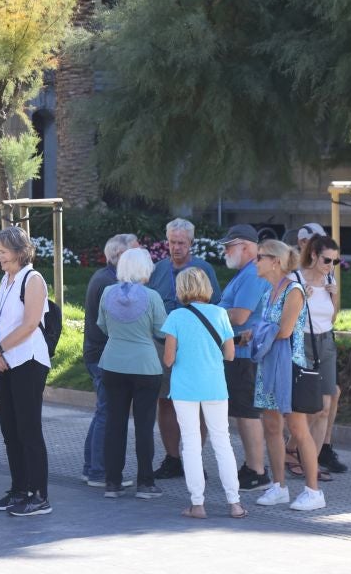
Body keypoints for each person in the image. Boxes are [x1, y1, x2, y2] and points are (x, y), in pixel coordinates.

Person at [160, 268, 247, 518]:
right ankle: (235, 503)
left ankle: (197, 504)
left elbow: (168, 359)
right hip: (215, 386)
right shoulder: (220, 314)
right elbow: (230, 354)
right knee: (222, 442)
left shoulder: (176, 317)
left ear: (181, 288)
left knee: (190, 443)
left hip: (184, 388)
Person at [252, 240, 326, 511]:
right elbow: (267, 329)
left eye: (260, 256)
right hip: (268, 365)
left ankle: (314, 491)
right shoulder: (268, 293)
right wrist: (259, 331)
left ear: (275, 261)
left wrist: (258, 331)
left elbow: (283, 331)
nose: (255, 261)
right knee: (271, 426)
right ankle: (279, 486)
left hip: (288, 368)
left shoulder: (293, 290)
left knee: (297, 428)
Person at [0, 227, 53, 517]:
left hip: (28, 360)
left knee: (28, 429)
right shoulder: (6, 279)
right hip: (6, 361)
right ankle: (19, 489)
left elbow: (28, 324)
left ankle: (39, 496)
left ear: (18, 251)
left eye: (2, 251)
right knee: (10, 430)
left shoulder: (33, 279)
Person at [148, 218, 221, 480]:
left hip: (194, 349)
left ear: (191, 242)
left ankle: (195, 457)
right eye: (172, 242)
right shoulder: (157, 270)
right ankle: (173, 458)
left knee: (197, 404)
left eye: (181, 242)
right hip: (162, 344)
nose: (176, 247)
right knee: (165, 401)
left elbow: (216, 306)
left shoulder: (203, 270)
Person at [97, 248, 166, 500]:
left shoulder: (107, 293)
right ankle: (146, 483)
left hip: (113, 363)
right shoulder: (153, 297)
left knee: (114, 423)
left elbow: (103, 326)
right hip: (146, 366)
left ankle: (112, 482)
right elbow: (161, 330)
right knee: (144, 425)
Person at [217, 224, 272, 492]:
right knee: (243, 412)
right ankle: (253, 467)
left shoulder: (251, 274)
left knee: (247, 413)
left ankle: (257, 471)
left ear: (247, 247)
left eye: (230, 246)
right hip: (239, 352)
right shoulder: (246, 273)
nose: (225, 250)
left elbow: (239, 316)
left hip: (243, 355)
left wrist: (210, 313)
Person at [289, 229, 348, 475]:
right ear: (313, 255)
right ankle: (294, 452)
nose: (330, 265)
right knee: (306, 407)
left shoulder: (330, 281)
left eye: (335, 261)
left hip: (326, 343)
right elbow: (285, 317)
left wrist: (334, 298)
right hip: (302, 342)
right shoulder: (296, 280)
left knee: (324, 406)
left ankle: (309, 462)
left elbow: (331, 318)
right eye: (327, 260)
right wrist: (303, 298)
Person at [82, 233, 138, 488]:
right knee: (107, 412)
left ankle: (92, 468)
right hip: (104, 356)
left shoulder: (106, 277)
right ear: (120, 256)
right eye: (135, 252)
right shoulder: (110, 283)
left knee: (102, 411)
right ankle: (98, 471)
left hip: (99, 354)